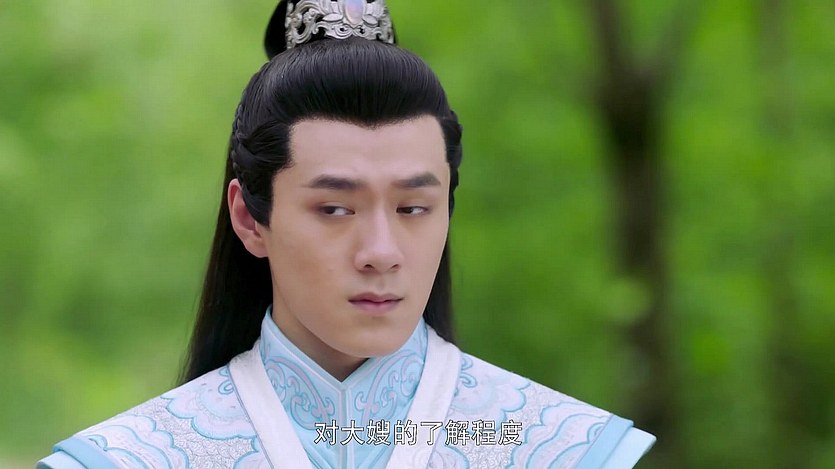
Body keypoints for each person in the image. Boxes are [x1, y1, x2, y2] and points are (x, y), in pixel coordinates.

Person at [37, 1, 655, 467]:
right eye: (334, 209)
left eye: (413, 207)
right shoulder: (135, 457)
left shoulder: (559, 448)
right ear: (250, 218)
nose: (381, 253)